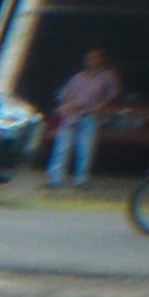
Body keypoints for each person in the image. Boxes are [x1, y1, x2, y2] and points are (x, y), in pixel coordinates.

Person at [48, 44, 120, 189]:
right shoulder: (77, 78)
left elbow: (113, 93)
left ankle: (81, 180)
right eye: (90, 58)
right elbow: (63, 95)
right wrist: (65, 105)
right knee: (61, 148)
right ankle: (55, 180)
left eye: (95, 58)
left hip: (89, 115)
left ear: (101, 59)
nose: (92, 60)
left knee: (85, 150)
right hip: (70, 116)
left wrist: (102, 105)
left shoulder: (106, 76)